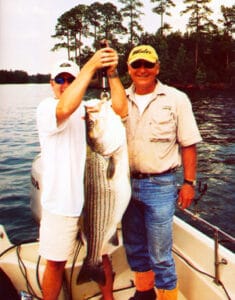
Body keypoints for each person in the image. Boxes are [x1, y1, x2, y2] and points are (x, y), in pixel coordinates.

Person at [36, 45, 127, 300]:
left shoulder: (90, 110)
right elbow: (63, 109)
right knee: (54, 262)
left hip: (95, 201)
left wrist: (111, 73)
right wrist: (91, 65)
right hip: (59, 204)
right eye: (60, 80)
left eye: (71, 80)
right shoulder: (46, 109)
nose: (65, 84)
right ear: (51, 83)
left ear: (81, 82)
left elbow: (121, 109)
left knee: (102, 255)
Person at [121, 45, 202, 300]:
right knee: (135, 248)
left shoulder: (176, 99)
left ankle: (167, 295)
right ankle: (144, 294)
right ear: (129, 69)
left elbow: (188, 144)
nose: (142, 70)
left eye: (148, 64)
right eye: (137, 65)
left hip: (160, 185)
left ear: (157, 67)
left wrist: (189, 183)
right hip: (123, 185)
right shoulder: (118, 100)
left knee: (160, 254)